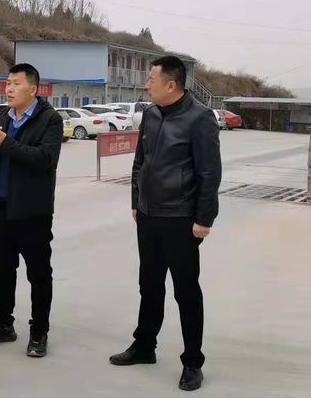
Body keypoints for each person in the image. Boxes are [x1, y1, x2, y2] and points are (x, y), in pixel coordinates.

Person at [109, 55, 222, 391]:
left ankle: (192, 362)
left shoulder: (199, 118)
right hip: (148, 216)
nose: (146, 84)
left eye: (151, 79)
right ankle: (144, 345)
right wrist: (136, 202)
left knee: (186, 291)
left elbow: (209, 173)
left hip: (181, 218)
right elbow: (139, 162)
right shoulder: (151, 114)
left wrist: (204, 218)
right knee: (149, 285)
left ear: (171, 85)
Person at [0, 63, 63, 358]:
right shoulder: (3, 116)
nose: (9, 88)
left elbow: (45, 159)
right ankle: (3, 323)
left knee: (38, 273)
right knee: (2, 269)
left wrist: (5, 143)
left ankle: (39, 331)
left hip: (32, 210)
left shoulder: (49, 119)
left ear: (33, 89)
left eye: (15, 83)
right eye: (7, 83)